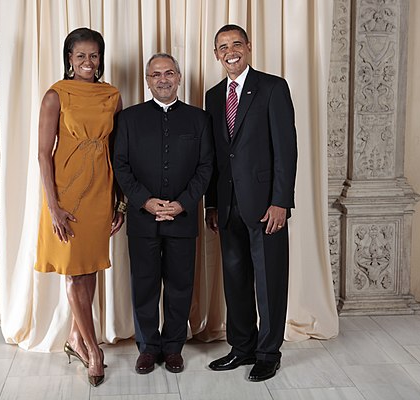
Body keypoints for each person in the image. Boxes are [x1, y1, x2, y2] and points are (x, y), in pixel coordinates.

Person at [204, 24, 298, 382]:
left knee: (270, 280)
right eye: (223, 46)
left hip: (265, 206)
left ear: (249, 47)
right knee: (235, 280)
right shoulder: (213, 96)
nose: (231, 51)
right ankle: (242, 348)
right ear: (216, 55)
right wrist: (212, 204)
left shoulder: (273, 88)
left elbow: (286, 151)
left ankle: (268, 353)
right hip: (228, 207)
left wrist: (280, 202)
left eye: (236, 44)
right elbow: (215, 156)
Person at [34, 27, 125, 387]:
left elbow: (117, 152)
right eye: (81, 56)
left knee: (89, 269)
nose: (88, 62)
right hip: (66, 194)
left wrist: (121, 200)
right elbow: (43, 155)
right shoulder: (56, 96)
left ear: (101, 58)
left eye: (94, 55)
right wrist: (53, 207)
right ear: (69, 59)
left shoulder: (112, 96)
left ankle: (76, 338)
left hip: (101, 191)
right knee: (74, 272)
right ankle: (93, 350)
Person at [114, 53, 213, 375]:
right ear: (147, 81)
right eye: (155, 75)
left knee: (180, 286)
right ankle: (147, 347)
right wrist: (145, 201)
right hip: (143, 220)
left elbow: (206, 167)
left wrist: (184, 202)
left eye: (169, 73)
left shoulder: (199, 120)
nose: (163, 80)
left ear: (179, 77)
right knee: (143, 285)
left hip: (183, 219)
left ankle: (173, 348)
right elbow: (121, 166)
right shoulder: (128, 119)